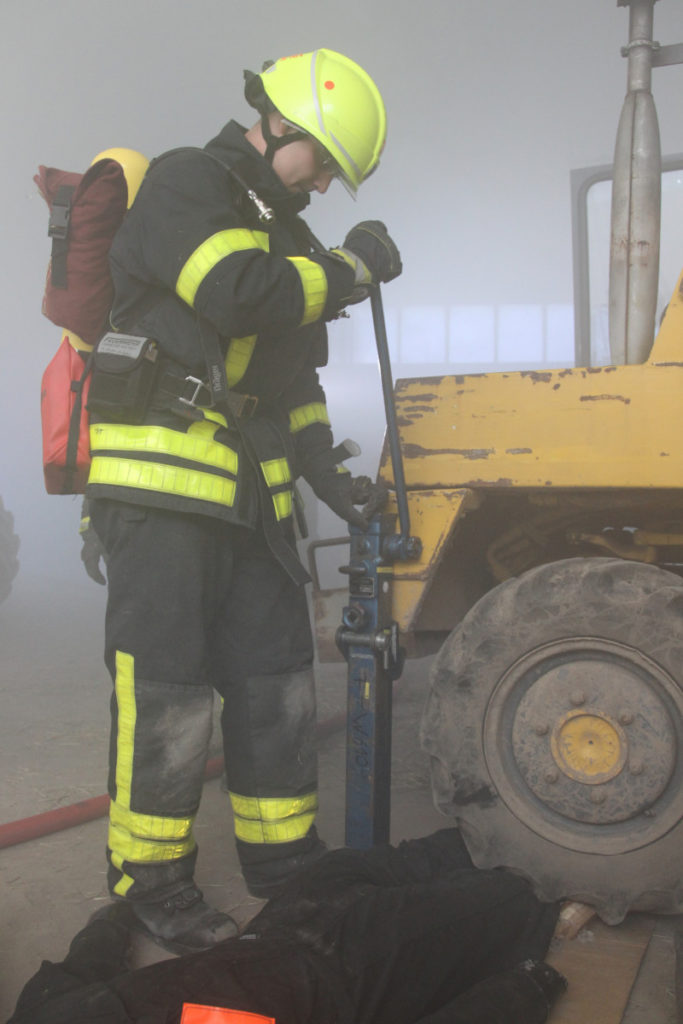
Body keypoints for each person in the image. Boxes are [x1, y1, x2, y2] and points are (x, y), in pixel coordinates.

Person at [78, 47, 402, 954]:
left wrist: (333, 482)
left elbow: (291, 385)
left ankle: (282, 859)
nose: (325, 183)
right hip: (160, 492)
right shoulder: (188, 182)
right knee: (168, 692)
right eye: (324, 161)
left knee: (276, 683)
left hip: (252, 503)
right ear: (282, 124)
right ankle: (152, 880)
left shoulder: (289, 239)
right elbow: (234, 294)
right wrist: (352, 269)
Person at [8, 829, 568, 1024]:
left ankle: (495, 825)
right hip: (355, 971)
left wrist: (110, 920)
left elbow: (80, 965)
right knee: (523, 892)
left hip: (282, 926)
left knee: (354, 866)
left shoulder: (45, 1014)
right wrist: (525, 989)